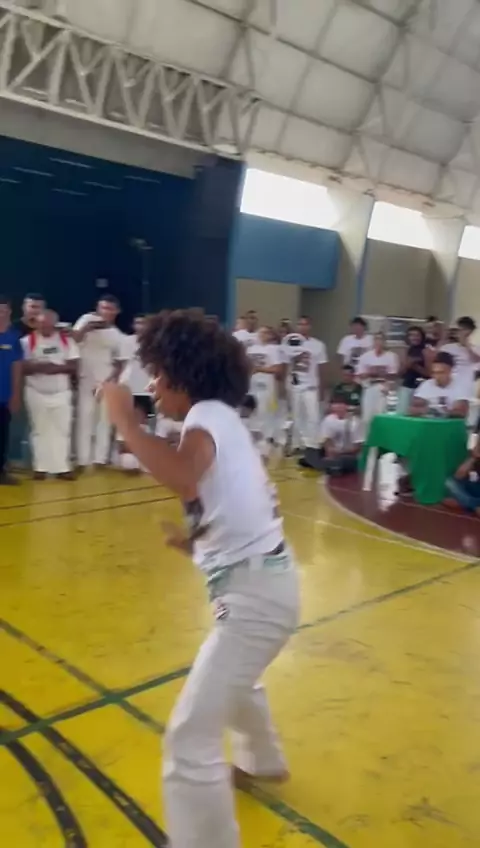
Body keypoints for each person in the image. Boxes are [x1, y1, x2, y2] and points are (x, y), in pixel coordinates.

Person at [102, 312, 299, 848]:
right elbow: (230, 503)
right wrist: (195, 545)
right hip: (265, 584)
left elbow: (184, 475)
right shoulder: (223, 420)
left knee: (189, 738)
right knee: (238, 680)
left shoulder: (206, 418)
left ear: (182, 375)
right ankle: (263, 760)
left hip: (257, 598)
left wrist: (126, 422)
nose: (151, 386)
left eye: (156, 375)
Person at [21, 309, 79, 479]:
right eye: (41, 324)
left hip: (61, 392)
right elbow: (23, 367)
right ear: (36, 324)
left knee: (62, 430)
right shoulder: (26, 342)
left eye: (48, 324)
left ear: (55, 324)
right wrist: (44, 367)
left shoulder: (66, 341)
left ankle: (62, 468)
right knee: (40, 431)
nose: (44, 327)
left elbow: (74, 365)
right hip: (35, 392)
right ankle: (41, 468)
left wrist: (51, 368)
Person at [72, 295, 126, 470]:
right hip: (85, 378)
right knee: (84, 418)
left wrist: (108, 383)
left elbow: (120, 363)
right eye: (103, 308)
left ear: (117, 311)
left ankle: (100, 459)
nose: (105, 312)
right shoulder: (86, 319)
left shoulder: (118, 335)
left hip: (106, 381)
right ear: (97, 308)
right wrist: (88, 327)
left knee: (104, 420)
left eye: (110, 309)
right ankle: (82, 460)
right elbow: (74, 338)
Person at [284, 316, 328, 454]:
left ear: (310, 326)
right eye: (300, 324)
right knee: (296, 416)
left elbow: (322, 368)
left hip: (311, 386)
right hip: (295, 384)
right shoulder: (289, 343)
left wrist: (322, 388)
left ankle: (312, 445)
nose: (303, 327)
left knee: (313, 417)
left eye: (305, 324)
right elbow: (285, 364)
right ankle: (296, 444)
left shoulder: (318, 345)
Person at [245, 326, 282, 458]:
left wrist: (259, 369)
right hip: (251, 386)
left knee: (266, 414)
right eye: (261, 332)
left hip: (266, 386)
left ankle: (266, 444)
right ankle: (252, 442)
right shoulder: (250, 349)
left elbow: (278, 369)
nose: (262, 335)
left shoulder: (274, 349)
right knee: (251, 415)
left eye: (266, 332)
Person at [0, 295, 23, 485]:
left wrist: (15, 394)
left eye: (4, 310)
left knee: (2, 436)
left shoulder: (14, 337)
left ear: (9, 312)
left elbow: (17, 366)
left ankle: (1, 472)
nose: (1, 314)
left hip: (4, 395)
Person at [356, 332, 399, 425]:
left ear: (384, 342)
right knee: (367, 417)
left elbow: (393, 374)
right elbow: (360, 375)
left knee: (381, 415)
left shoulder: (391, 356)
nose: (378, 342)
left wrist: (379, 372)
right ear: (373, 341)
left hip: (384, 388)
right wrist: (372, 372)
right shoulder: (365, 356)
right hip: (369, 387)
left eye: (381, 339)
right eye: (376, 339)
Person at [410, 351, 469, 418]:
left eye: (441, 372)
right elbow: (414, 408)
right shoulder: (426, 385)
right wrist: (430, 410)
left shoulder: (460, 386)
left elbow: (460, 412)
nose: (437, 376)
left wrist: (439, 411)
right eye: (434, 373)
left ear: (450, 371)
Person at [398, 325, 429, 414]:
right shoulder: (406, 350)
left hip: (421, 387)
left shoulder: (426, 351)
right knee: (402, 412)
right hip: (406, 385)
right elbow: (400, 372)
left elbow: (429, 373)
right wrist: (406, 364)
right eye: (411, 335)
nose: (414, 338)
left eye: (417, 335)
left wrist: (414, 365)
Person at [444, 439, 480, 515]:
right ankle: (474, 506)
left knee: (452, 500)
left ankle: (466, 503)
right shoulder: (475, 457)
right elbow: (458, 476)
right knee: (449, 483)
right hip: (475, 489)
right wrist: (473, 457)